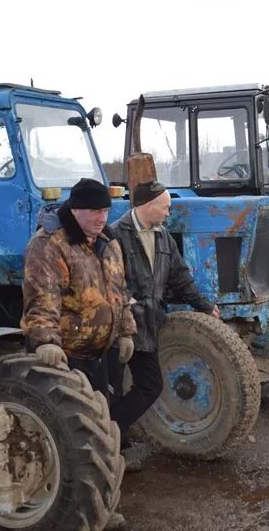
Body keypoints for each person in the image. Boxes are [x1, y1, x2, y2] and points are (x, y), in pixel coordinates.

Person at [110, 180, 220, 468]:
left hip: (148, 324)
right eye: (165, 207)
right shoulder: (115, 235)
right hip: (119, 325)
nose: (168, 213)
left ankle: (109, 428)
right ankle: (113, 445)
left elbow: (180, 277)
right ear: (147, 206)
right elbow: (106, 280)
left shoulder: (163, 238)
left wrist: (204, 305)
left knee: (149, 385)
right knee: (112, 385)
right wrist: (127, 302)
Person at [22, 177, 136, 395]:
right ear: (75, 210)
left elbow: (119, 289)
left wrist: (125, 331)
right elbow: (43, 295)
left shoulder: (108, 242)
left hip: (100, 355)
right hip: (65, 358)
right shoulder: (50, 244)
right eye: (95, 211)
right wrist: (46, 341)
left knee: (105, 416)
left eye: (105, 211)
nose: (102, 218)